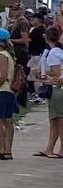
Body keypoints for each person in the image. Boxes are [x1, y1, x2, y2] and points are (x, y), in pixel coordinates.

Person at [0, 28, 18, 160]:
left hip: (2, 90)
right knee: (8, 121)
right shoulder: (9, 55)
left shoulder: (1, 55)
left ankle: (2, 148)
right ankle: (8, 150)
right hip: (10, 91)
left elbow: (3, 75)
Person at [35, 27, 63, 157]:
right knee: (54, 120)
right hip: (56, 87)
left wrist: (43, 73)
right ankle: (49, 148)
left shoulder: (53, 53)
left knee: (58, 120)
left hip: (57, 88)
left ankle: (61, 149)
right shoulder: (58, 50)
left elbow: (56, 73)